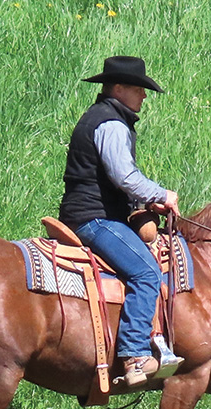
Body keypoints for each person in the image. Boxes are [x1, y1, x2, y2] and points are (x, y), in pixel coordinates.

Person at [59, 56, 182, 387]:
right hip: (94, 218)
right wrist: (162, 194)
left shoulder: (103, 118)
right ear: (119, 88)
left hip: (90, 212)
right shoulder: (110, 123)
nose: (144, 97)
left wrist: (147, 200)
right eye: (139, 90)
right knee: (146, 272)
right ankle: (134, 354)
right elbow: (124, 176)